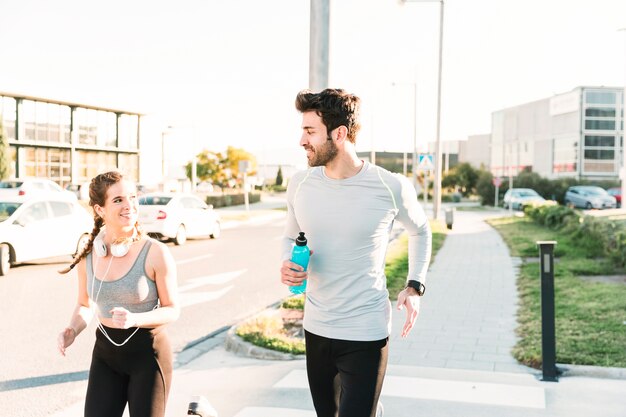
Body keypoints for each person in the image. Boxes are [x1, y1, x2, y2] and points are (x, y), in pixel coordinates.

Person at [280, 89, 432, 417]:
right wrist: (286, 263)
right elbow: (290, 237)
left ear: (340, 134)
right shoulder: (300, 184)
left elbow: (420, 230)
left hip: (366, 331)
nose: (301, 141)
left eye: (310, 131)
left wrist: (415, 285)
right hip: (316, 329)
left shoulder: (390, 186)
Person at [57, 171, 179, 417]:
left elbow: (172, 309)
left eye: (132, 197)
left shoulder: (155, 252)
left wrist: (136, 319)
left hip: (148, 356)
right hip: (106, 355)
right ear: (99, 210)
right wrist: (73, 329)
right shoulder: (90, 252)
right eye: (118, 200)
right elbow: (84, 303)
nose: (129, 206)